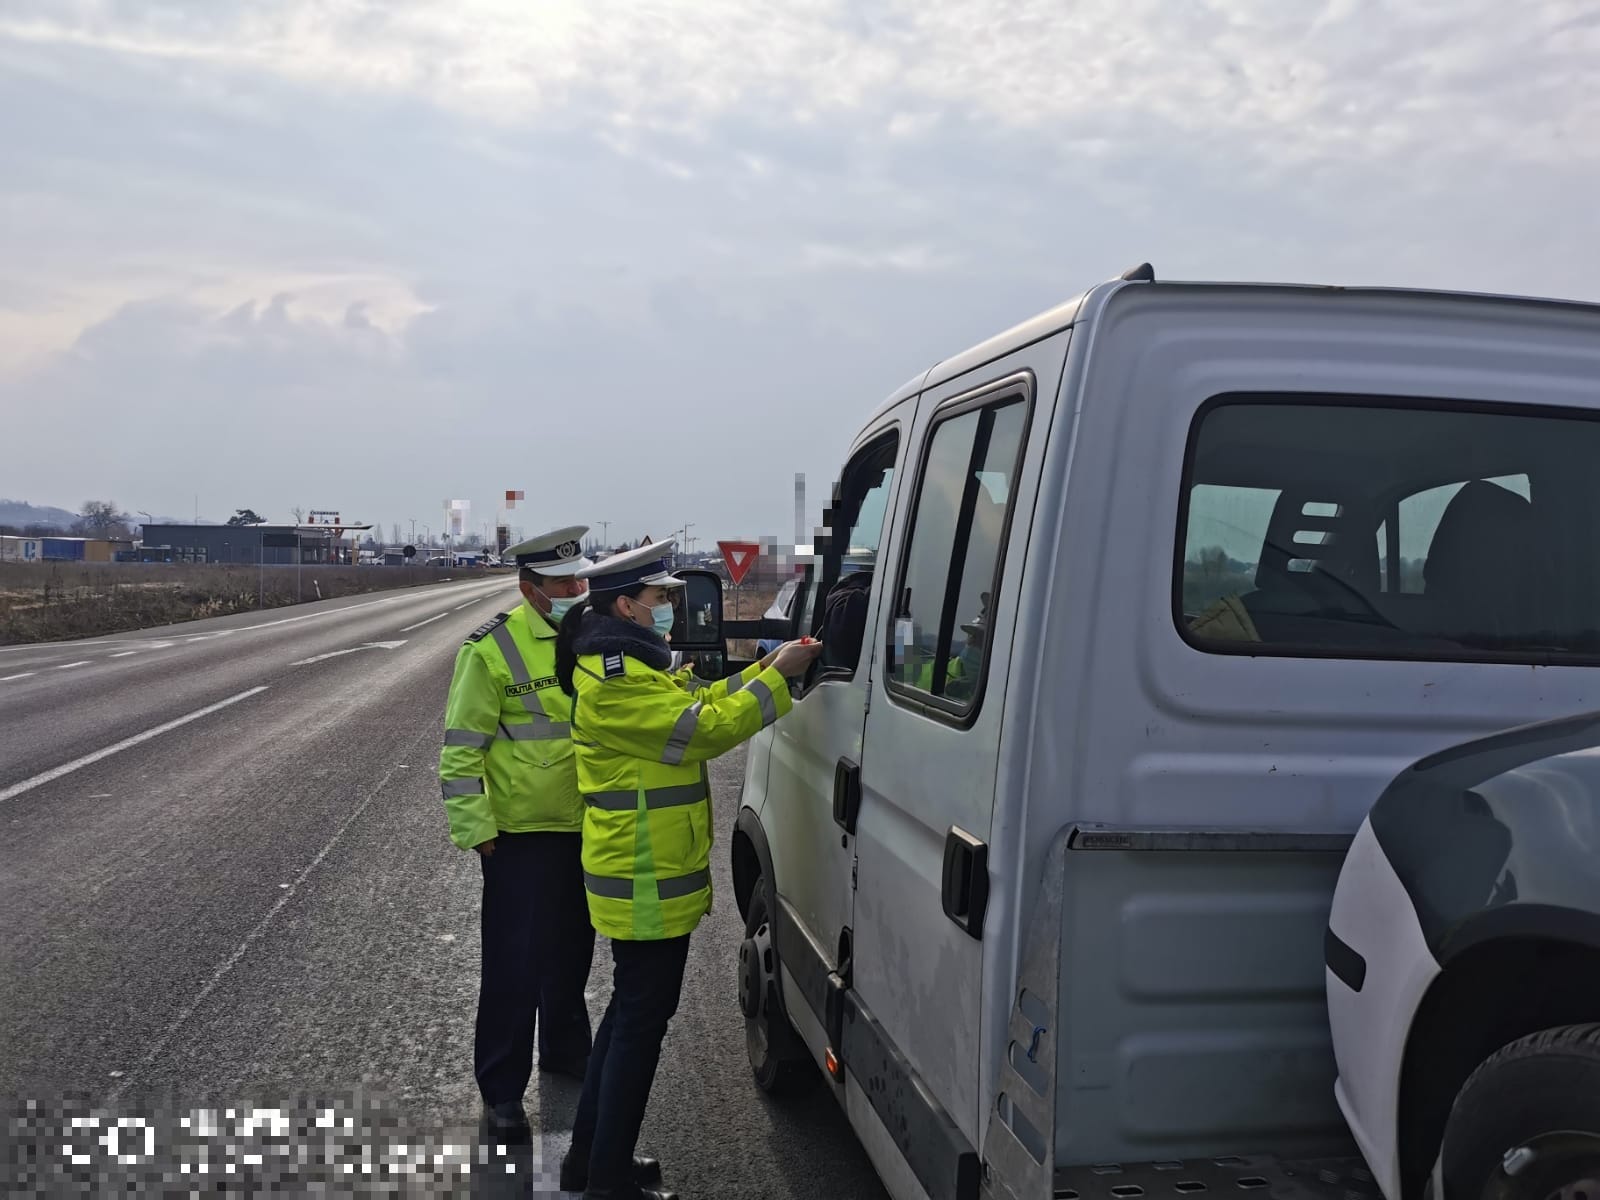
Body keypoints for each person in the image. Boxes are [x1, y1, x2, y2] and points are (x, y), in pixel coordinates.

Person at [553, 540, 824, 1200]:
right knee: (640, 1024)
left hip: (645, 873)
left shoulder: (627, 664)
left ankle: (587, 1161)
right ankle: (608, 1180)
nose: (669, 609)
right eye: (659, 598)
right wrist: (779, 680)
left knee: (626, 1017)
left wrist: (762, 667)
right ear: (625, 605)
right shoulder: (616, 683)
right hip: (644, 879)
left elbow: (701, 697)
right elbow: (702, 729)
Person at [438, 525, 598, 1141]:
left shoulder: (588, 641)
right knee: (514, 964)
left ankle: (564, 1049)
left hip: (583, 827)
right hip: (519, 837)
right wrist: (476, 830)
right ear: (532, 589)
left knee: (572, 952)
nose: (577, 590)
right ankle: (502, 1090)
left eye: (581, 580)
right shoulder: (490, 651)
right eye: (565, 583)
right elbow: (460, 752)